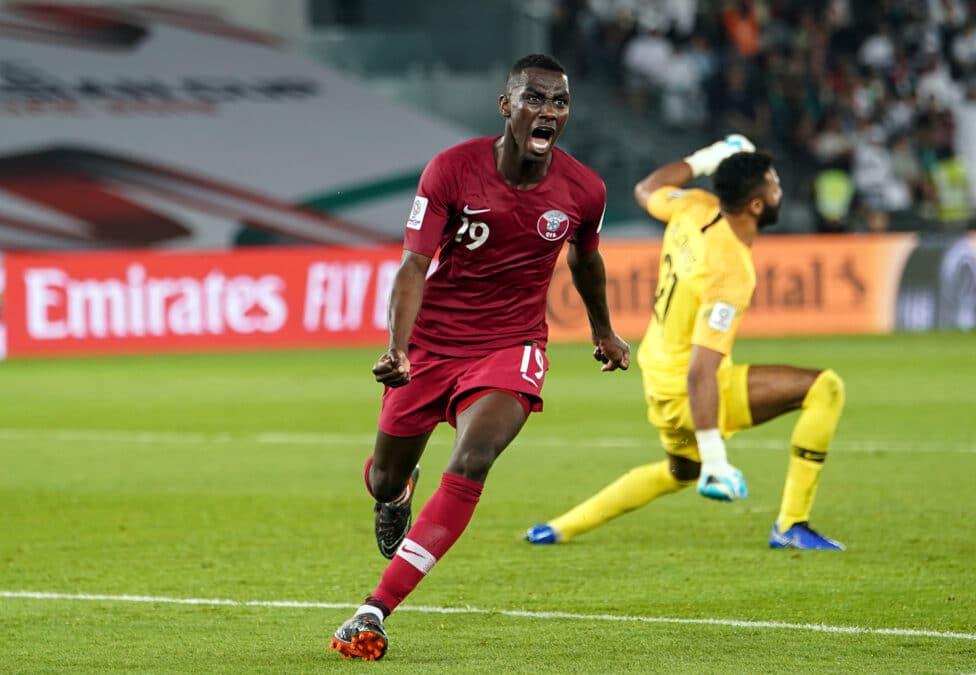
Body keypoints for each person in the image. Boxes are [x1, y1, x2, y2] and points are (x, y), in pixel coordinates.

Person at [328, 53, 630, 662]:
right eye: (536, 99)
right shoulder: (451, 170)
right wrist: (398, 347)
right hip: (432, 346)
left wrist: (604, 330)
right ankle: (395, 492)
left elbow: (586, 259)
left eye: (560, 102)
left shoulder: (583, 189)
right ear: (507, 105)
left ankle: (374, 610)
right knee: (384, 477)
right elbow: (415, 265)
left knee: (473, 457)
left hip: (511, 346)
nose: (549, 111)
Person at [525, 139, 846, 551]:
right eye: (773, 185)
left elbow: (646, 188)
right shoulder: (731, 271)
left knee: (680, 471)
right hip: (687, 388)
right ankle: (791, 524)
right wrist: (717, 458)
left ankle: (560, 527)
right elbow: (701, 370)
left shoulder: (693, 207)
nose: (779, 189)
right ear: (755, 206)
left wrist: (707, 158)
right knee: (826, 388)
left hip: (657, 380)